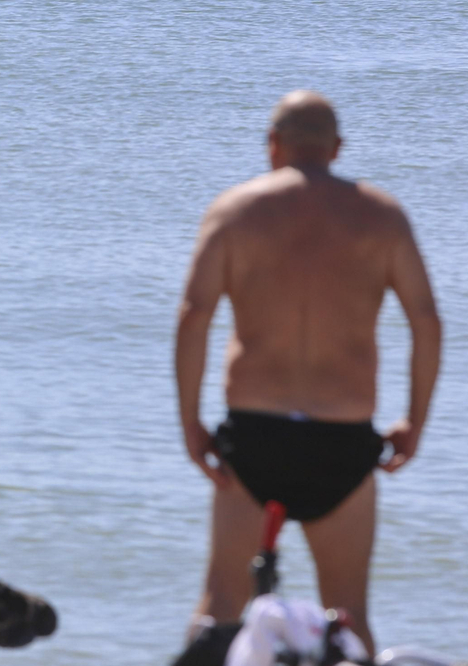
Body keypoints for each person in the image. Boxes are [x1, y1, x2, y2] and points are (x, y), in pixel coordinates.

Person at [173, 91, 442, 660]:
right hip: (342, 440)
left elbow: (194, 317)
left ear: (272, 145)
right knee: (348, 617)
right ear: (337, 148)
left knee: (221, 603)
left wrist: (190, 423)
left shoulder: (234, 210)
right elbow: (426, 321)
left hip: (254, 436)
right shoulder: (382, 216)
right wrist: (415, 421)